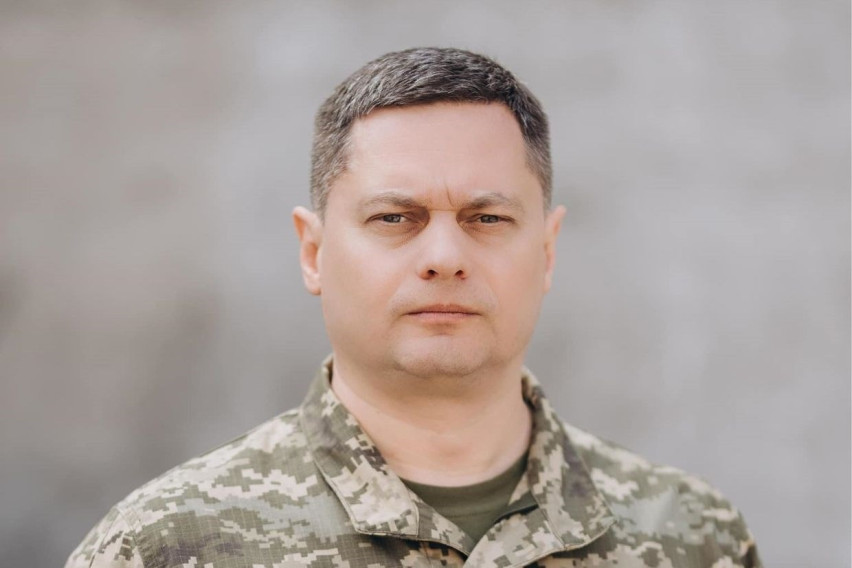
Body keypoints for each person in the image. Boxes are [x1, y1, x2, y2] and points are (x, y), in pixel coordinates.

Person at [67, 47, 761, 568]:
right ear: (313, 252)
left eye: (487, 218)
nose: (445, 257)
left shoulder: (691, 537)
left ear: (547, 251)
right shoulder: (167, 544)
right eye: (396, 218)